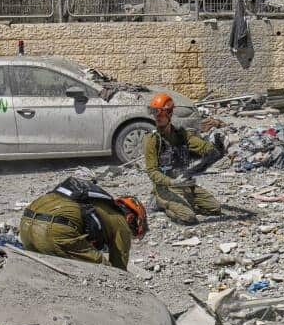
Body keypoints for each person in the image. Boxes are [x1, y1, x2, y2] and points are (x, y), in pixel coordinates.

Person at [20, 177, 148, 270]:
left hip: (25, 224)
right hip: (53, 231)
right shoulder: (121, 222)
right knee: (104, 271)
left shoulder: (98, 204)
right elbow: (118, 270)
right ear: (131, 218)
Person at [143, 92, 225, 225]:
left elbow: (203, 147)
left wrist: (217, 145)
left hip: (187, 184)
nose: (156, 116)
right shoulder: (152, 140)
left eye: (160, 112)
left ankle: (184, 203)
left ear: (169, 114)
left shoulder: (181, 134)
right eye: (154, 112)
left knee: (215, 209)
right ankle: (161, 202)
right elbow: (152, 172)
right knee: (188, 218)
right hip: (167, 187)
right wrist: (172, 182)